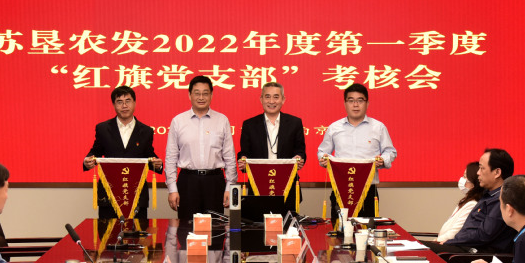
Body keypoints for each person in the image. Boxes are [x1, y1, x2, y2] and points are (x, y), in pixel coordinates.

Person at [83, 86, 163, 219]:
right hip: (109, 195)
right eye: (119, 102)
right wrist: (87, 161)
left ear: (134, 103)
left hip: (137, 195)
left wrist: (157, 164)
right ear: (114, 105)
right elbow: (95, 152)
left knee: (138, 232)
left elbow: (148, 156)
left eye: (128, 101)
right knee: (108, 232)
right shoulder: (103, 128)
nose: (124, 106)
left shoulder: (146, 131)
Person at [317, 83, 396, 218]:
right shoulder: (334, 128)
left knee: (368, 229)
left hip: (368, 190)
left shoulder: (378, 127)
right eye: (351, 100)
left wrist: (383, 160)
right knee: (339, 229)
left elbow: (390, 151)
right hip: (340, 188)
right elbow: (322, 152)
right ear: (345, 103)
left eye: (360, 100)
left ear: (367, 103)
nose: (355, 105)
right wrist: (324, 159)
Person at [166, 75, 237, 223]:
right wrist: (172, 189)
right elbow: (171, 158)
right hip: (188, 182)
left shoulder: (222, 120)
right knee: (186, 229)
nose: (201, 97)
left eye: (205, 93)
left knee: (215, 229)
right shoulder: (178, 121)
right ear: (189, 95)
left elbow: (229, 157)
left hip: (215, 182)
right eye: (197, 93)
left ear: (211, 95)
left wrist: (229, 187)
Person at [424, 148, 516, 254]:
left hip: (473, 254)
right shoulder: (488, 195)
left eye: (482, 168)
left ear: (497, 172)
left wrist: (451, 242)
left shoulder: (501, 199)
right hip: (463, 247)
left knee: (420, 247)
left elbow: (483, 235)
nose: (478, 173)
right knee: (417, 246)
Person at [237, 81, 307, 214]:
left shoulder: (295, 123)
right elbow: (244, 152)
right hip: (258, 186)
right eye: (267, 97)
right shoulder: (249, 124)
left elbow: (300, 150)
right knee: (258, 224)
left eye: (276, 97)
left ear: (283, 99)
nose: (271, 101)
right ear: (261, 99)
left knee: (287, 224)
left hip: (287, 185)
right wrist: (243, 159)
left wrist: (299, 157)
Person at [436, 162, 485, 242]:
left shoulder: (472, 205)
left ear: (474, 181)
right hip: (443, 241)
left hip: (447, 244)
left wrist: (437, 241)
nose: (461, 179)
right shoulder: (465, 201)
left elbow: (456, 232)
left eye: (465, 176)